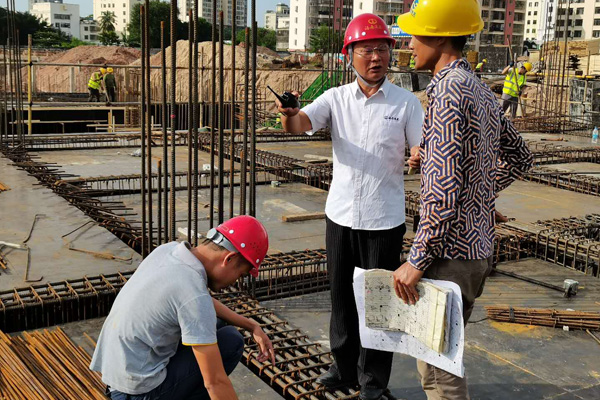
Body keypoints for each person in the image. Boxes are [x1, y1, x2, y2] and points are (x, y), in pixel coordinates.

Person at [276, 13, 424, 400]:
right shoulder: (336, 98)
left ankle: (373, 380)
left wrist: (417, 155)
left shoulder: (406, 103)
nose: (375, 57)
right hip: (341, 216)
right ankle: (343, 369)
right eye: (366, 50)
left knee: (378, 302)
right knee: (341, 297)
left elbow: (418, 146)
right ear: (350, 56)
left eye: (382, 49)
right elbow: (299, 125)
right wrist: (289, 115)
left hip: (384, 220)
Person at [395, 0, 533, 399]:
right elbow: (521, 157)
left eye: (416, 35)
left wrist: (417, 260)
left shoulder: (446, 91)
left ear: (440, 37)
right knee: (444, 358)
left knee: (438, 371)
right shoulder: (480, 89)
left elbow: (441, 192)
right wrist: (478, 193)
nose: (409, 44)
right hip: (477, 251)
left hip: (448, 255)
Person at [90, 216, 276, 400]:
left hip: (118, 374)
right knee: (231, 342)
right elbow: (215, 382)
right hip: (137, 393)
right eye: (240, 274)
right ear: (229, 258)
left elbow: (197, 302)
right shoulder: (192, 294)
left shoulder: (169, 251)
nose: (235, 281)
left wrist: (251, 325)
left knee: (215, 325)